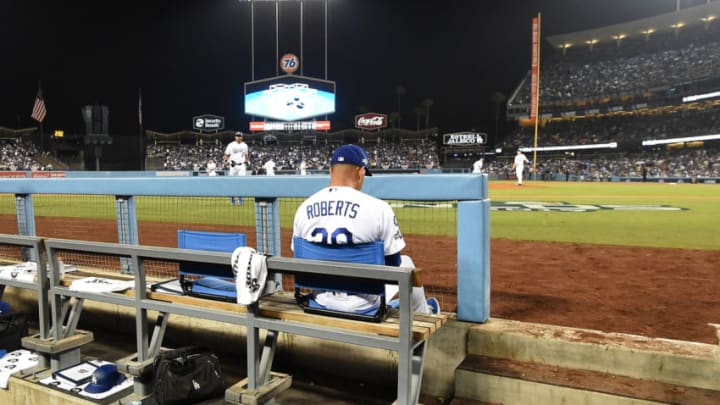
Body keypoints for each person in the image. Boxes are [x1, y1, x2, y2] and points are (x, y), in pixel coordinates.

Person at [292, 144, 439, 315]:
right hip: (364, 305)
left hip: (320, 300)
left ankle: (410, 309)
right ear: (360, 173)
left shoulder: (304, 208)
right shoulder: (378, 208)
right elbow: (393, 265)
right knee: (406, 263)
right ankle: (423, 313)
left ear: (331, 170)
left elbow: (299, 260)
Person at [224, 131, 249, 204]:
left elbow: (246, 155)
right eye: (237, 136)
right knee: (232, 183)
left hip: (241, 165)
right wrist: (227, 161)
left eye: (240, 136)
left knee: (241, 183)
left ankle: (240, 198)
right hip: (233, 166)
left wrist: (246, 161)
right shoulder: (231, 145)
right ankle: (232, 198)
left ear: (242, 137)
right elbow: (226, 155)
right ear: (235, 137)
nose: (238, 137)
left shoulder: (245, 145)